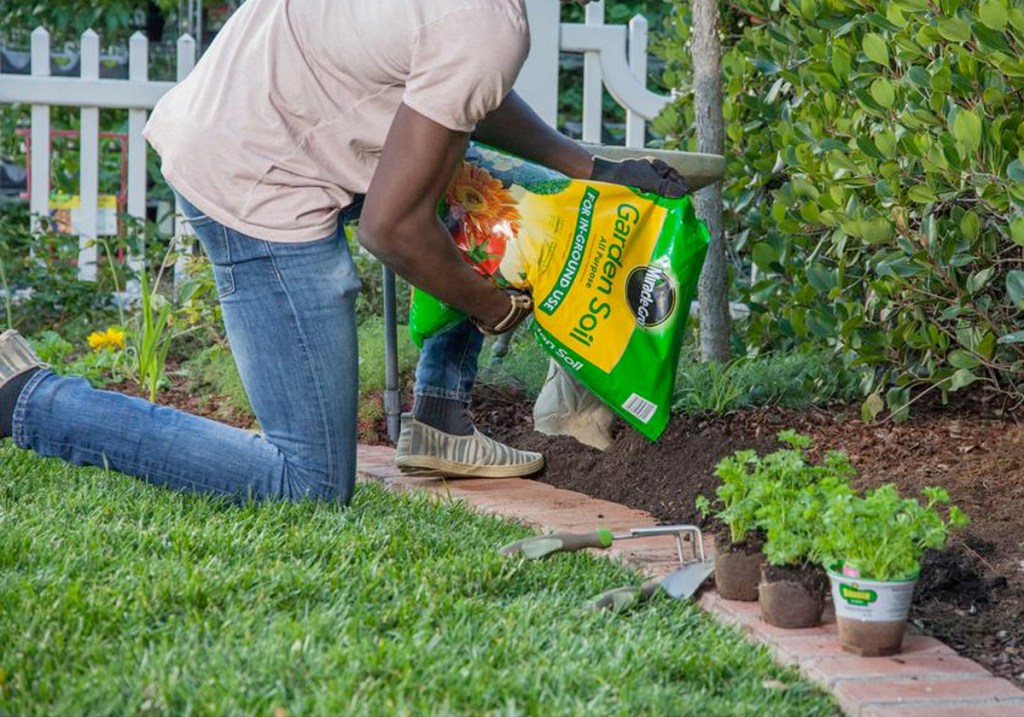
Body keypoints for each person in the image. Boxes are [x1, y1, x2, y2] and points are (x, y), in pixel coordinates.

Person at [0, 0, 686, 502]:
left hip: (254, 113)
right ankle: (29, 399)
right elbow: (392, 231)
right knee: (309, 480)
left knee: (499, 199)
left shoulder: (479, 25)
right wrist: (491, 306)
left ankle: (441, 416)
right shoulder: (485, 25)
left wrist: (585, 166)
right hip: (257, 172)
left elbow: (458, 85)